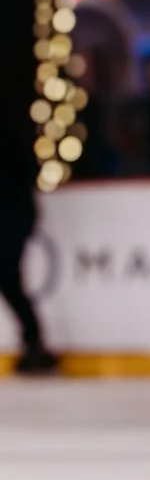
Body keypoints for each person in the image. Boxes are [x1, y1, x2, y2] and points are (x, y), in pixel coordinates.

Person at [3, 137, 59, 376]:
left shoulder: (9, 143)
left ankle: (34, 342)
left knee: (8, 279)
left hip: (12, 220)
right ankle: (34, 341)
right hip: (16, 217)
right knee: (9, 280)